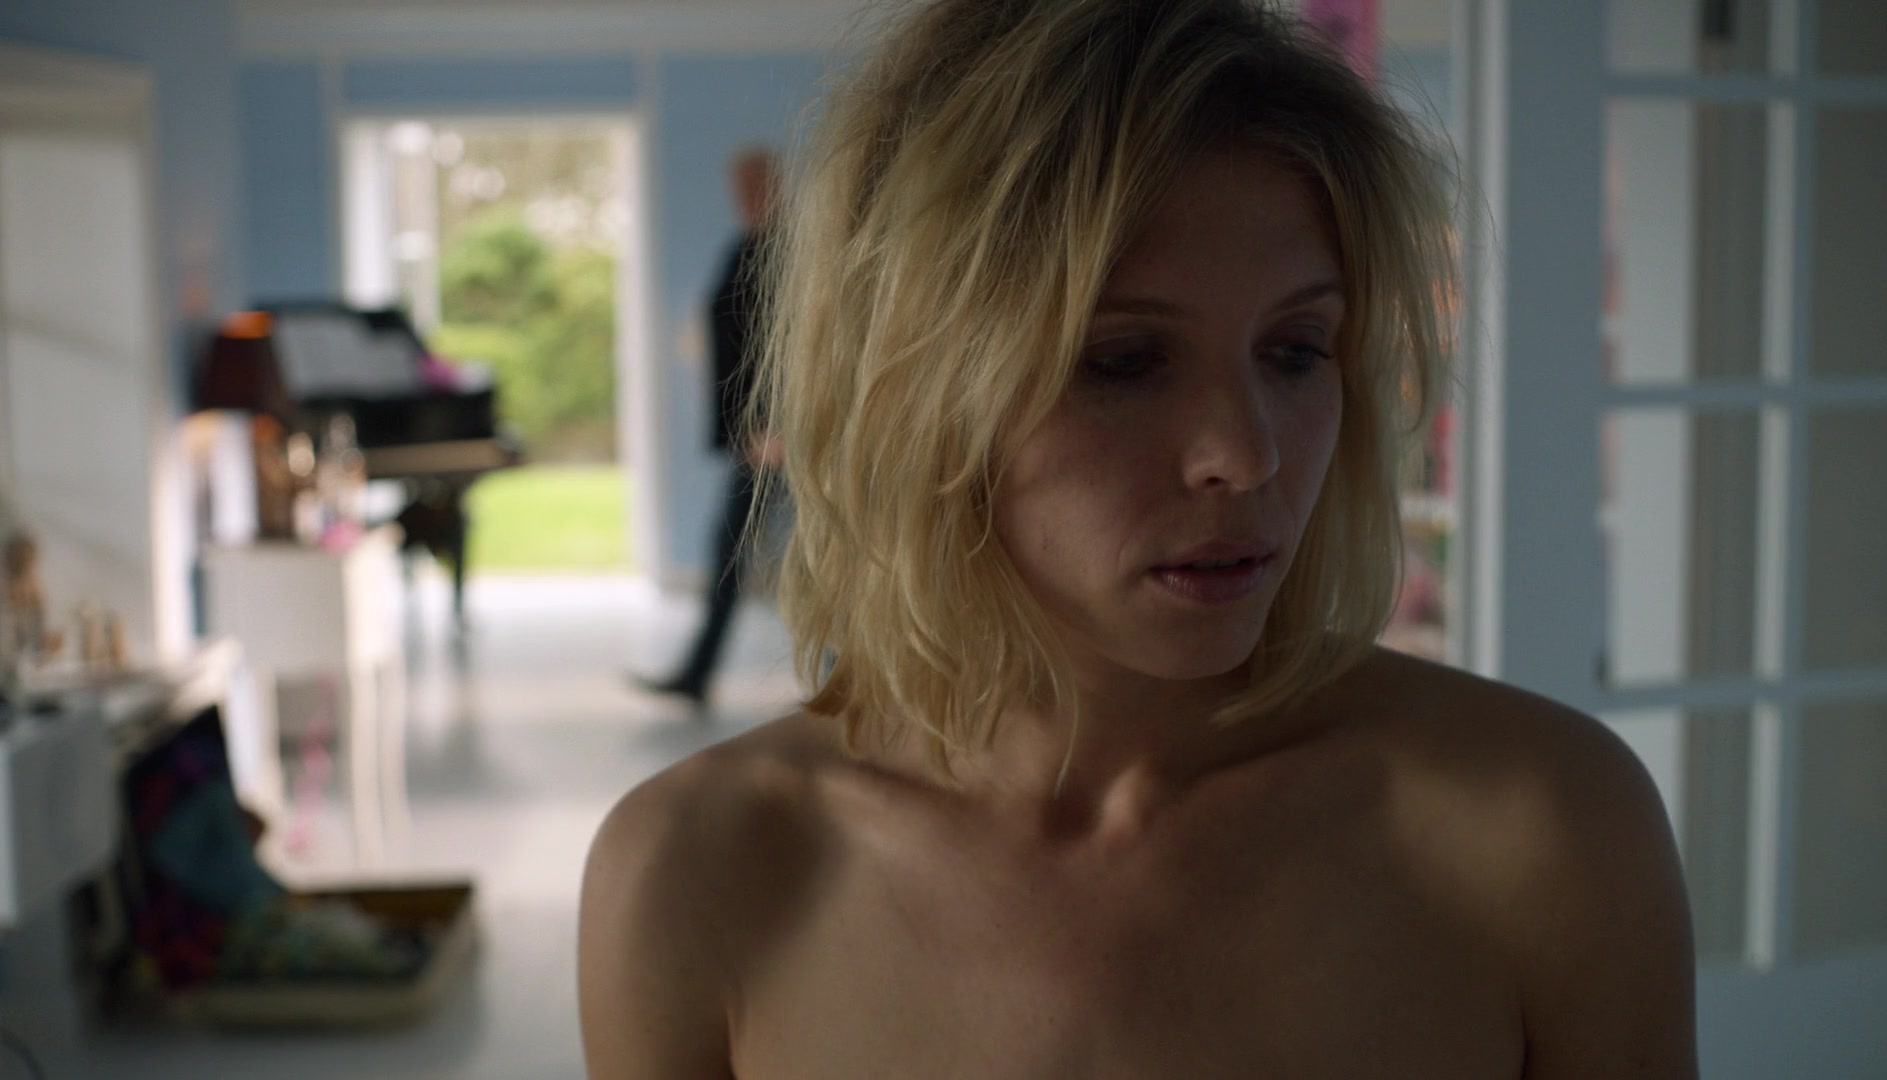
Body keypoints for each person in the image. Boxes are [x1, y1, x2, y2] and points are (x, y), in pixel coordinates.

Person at [582, 0, 1697, 1076]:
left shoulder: (1538, 827)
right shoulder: (699, 876)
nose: (1245, 456)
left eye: (1296, 350)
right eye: (1122, 361)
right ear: (911, 390)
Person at [634, 148, 784, 710]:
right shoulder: (746, 248)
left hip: (779, 442)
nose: (742, 198)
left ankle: (847, 685)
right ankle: (697, 675)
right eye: (738, 188)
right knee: (731, 554)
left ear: (775, 186)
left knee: (812, 560)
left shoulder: (787, 255)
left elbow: (797, 350)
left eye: (752, 186)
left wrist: (781, 428)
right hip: (755, 438)